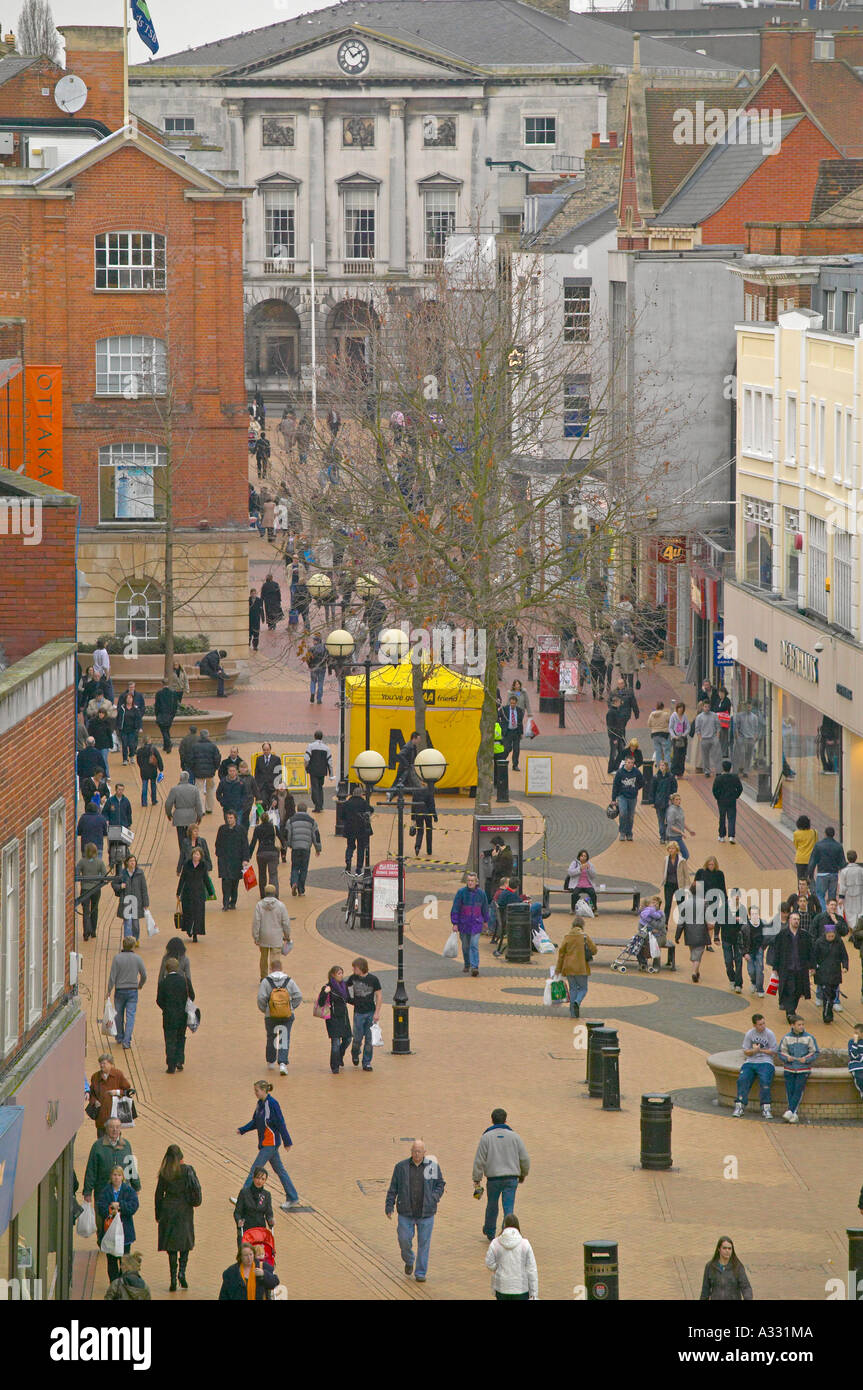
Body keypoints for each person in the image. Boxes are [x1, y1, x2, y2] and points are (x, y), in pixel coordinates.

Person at [385, 1140, 445, 1284]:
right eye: (414, 1151)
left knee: (424, 1243)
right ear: (411, 1151)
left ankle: (420, 1272)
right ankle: (409, 1259)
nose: (416, 1154)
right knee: (404, 1239)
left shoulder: (432, 1167)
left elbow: (440, 1184)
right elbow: (394, 1187)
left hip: (426, 1213)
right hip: (406, 1212)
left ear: (424, 1153)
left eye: (419, 1151)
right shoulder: (401, 1167)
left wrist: (434, 1197)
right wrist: (389, 1205)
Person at [235, 1080, 300, 1210]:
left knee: (255, 1169)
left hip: (270, 1143)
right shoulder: (260, 1104)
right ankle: (293, 1197)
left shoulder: (272, 1104)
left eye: (257, 1091)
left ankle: (242, 1198)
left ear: (264, 1090)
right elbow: (255, 1122)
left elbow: (281, 1123)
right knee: (280, 1170)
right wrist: (243, 1129)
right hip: (266, 1143)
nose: (255, 1093)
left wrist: (287, 1141)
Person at [472, 1108, 530, 1241]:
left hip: (493, 1178)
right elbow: (525, 1159)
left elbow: (479, 1160)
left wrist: (477, 1179)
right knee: (508, 1207)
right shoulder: (515, 1137)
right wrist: (523, 1173)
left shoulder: (486, 1138)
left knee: (492, 1205)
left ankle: (490, 1231)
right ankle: (508, 1233)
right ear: (505, 1120)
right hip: (511, 1178)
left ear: (492, 1120)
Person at [154, 1144, 202, 1292]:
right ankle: (182, 1271)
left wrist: (158, 1213)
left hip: (168, 1210)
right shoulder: (188, 1170)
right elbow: (196, 1189)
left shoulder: (165, 1172)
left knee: (172, 1245)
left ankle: (173, 1278)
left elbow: (158, 1194)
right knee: (185, 1242)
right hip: (184, 1210)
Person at [258, 956, 302, 1076]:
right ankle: (282, 1063)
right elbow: (298, 995)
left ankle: (271, 1061)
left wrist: (266, 1010)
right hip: (287, 1015)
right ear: (281, 968)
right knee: (284, 1037)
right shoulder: (289, 980)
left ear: (271, 969)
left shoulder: (266, 981)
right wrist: (291, 1007)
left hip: (270, 1015)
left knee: (271, 1036)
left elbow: (261, 998)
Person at [96, 1165, 139, 1286]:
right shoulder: (106, 1190)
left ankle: (123, 1283)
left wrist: (120, 1206)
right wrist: (110, 1210)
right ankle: (114, 1284)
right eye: (114, 1175)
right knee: (111, 1261)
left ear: (122, 1177)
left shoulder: (128, 1190)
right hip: (110, 1232)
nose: (116, 1178)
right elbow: (100, 1207)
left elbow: (134, 1205)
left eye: (119, 1175)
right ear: (111, 1176)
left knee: (124, 1261)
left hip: (125, 1234)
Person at [769, 910, 815, 1022]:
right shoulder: (782, 935)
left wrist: (812, 966)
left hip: (800, 969)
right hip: (787, 968)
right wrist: (775, 968)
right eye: (794, 919)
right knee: (789, 989)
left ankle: (791, 1010)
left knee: (798, 991)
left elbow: (810, 952)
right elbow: (777, 952)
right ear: (789, 920)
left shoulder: (805, 935)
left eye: (798, 919)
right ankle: (790, 1013)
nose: (796, 921)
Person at [83, 1116, 141, 1205]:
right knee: (102, 1217)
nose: (115, 1130)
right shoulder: (98, 1146)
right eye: (112, 1127)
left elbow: (131, 1168)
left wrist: (136, 1186)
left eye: (117, 1127)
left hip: (123, 1193)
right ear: (106, 1129)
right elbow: (91, 1170)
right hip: (103, 1193)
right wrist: (87, 1192)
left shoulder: (126, 1145)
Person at [732, 1013, 777, 1119]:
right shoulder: (749, 1034)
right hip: (751, 1061)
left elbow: (774, 1051)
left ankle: (766, 1108)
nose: (763, 1026)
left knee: (765, 1080)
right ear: (754, 1025)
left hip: (766, 1062)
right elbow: (746, 1051)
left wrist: (760, 1050)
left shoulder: (769, 1034)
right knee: (742, 1079)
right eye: (760, 1024)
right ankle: (740, 1106)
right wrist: (753, 1051)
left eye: (763, 1023)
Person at [776, 1015, 819, 1122]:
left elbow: (815, 1052)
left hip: (803, 1069)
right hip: (789, 1068)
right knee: (790, 1090)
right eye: (799, 1025)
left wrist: (806, 1059)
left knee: (798, 1090)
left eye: (802, 1024)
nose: (801, 1027)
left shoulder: (809, 1037)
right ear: (792, 1025)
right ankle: (794, 1114)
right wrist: (787, 1058)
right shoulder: (786, 1038)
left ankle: (790, 1110)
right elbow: (781, 1052)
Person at [486, 1214, 538, 1301]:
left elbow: (489, 1263)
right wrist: (534, 1293)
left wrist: (497, 1267)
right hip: (521, 1289)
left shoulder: (496, 1243)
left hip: (501, 1287)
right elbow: (532, 1270)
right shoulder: (525, 1244)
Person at [108, 938, 147, 1049]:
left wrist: (109, 990)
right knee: (130, 1016)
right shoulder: (137, 958)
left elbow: (112, 977)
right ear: (133, 946)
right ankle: (127, 1041)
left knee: (118, 1015)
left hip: (119, 990)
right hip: (132, 990)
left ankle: (119, 1036)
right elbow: (144, 974)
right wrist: (140, 985)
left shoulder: (117, 958)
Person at [555, 915, 597, 1019]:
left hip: (568, 968)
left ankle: (573, 1013)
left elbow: (561, 954)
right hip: (581, 968)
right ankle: (577, 1002)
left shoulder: (567, 937)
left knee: (573, 989)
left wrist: (558, 969)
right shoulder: (584, 936)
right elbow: (594, 950)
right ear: (582, 925)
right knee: (583, 988)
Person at [450, 871, 489, 977]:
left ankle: (475, 966)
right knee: (465, 946)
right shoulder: (461, 893)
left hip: (476, 923)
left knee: (474, 944)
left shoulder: (481, 894)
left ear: (476, 882)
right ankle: (467, 963)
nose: (470, 883)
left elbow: (485, 907)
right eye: (468, 881)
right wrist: (455, 923)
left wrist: (486, 920)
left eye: (472, 881)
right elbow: (456, 908)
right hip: (464, 923)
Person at [346, 956, 382, 1071]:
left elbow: (379, 996)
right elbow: (345, 988)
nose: (353, 970)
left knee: (369, 1040)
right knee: (357, 1038)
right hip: (358, 1013)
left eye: (355, 968)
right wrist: (349, 999)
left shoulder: (373, 980)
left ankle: (366, 1062)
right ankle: (355, 1052)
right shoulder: (353, 978)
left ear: (361, 968)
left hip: (370, 1012)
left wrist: (377, 1013)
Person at [156, 958, 192, 1074]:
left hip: (169, 1015)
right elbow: (192, 995)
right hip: (183, 1014)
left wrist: (166, 1008)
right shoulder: (185, 981)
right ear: (177, 968)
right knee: (181, 1037)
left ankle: (170, 1064)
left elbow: (159, 1000)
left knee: (170, 1039)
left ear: (166, 969)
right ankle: (179, 1060)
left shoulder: (163, 983)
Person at [318, 965, 353, 1075]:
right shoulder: (327, 987)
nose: (341, 975)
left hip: (343, 1017)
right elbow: (320, 1003)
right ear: (333, 975)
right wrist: (325, 992)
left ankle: (339, 1056)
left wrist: (360, 1002)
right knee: (335, 1043)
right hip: (333, 1019)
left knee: (348, 1039)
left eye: (342, 973)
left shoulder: (344, 986)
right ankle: (335, 1066)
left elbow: (348, 999)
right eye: (339, 973)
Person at [252, 885, 292, 980]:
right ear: (275, 893)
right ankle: (275, 977)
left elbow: (256, 922)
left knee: (263, 958)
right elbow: (285, 922)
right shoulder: (281, 905)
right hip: (276, 936)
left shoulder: (259, 905)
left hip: (263, 935)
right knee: (275, 958)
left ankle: (264, 977)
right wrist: (287, 935)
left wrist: (256, 937)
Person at [87, 1053, 134, 1134]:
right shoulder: (95, 1077)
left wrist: (117, 1092)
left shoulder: (118, 1074)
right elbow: (92, 1094)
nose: (101, 1065)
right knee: (101, 1140)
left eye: (104, 1063)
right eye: (100, 1063)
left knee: (115, 1139)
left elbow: (128, 1091)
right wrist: (95, 1101)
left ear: (111, 1064)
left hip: (114, 1114)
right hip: (101, 1116)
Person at [284, 802, 321, 896]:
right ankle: (301, 889)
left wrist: (288, 845)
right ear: (306, 810)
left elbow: (288, 834)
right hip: (306, 848)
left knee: (295, 867)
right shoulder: (312, 821)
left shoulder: (291, 820)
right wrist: (318, 848)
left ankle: (294, 882)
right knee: (304, 869)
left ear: (297, 809)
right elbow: (316, 835)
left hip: (295, 847)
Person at [813, 924, 848, 1023]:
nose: (831, 938)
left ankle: (829, 1014)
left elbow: (844, 955)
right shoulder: (819, 942)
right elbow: (814, 957)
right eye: (829, 936)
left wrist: (845, 966)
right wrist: (813, 968)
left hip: (835, 972)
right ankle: (827, 1016)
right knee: (827, 995)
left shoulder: (839, 942)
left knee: (832, 994)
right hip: (823, 973)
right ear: (825, 934)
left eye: (832, 936)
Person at [215, 810, 248, 911]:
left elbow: (245, 845)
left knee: (235, 882)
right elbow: (218, 843)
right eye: (228, 818)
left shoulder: (241, 830)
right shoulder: (222, 829)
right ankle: (225, 903)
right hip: (224, 860)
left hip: (236, 860)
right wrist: (219, 855)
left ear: (235, 818)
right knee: (225, 881)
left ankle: (233, 901)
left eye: (231, 818)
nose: (229, 820)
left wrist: (245, 859)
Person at [112, 854, 149, 943]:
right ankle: (127, 941)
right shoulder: (122, 873)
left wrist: (146, 903)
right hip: (126, 901)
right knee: (127, 923)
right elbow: (114, 884)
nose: (133, 863)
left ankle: (135, 939)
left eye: (134, 861)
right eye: (131, 861)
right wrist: (120, 886)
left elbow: (144, 889)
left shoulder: (140, 873)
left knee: (135, 924)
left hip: (137, 901)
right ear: (127, 863)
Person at [176, 845, 210, 943]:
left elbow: (206, 879)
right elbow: (182, 878)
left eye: (197, 854)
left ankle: (195, 933)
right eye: (194, 854)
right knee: (188, 912)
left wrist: (210, 892)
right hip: (187, 893)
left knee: (197, 914)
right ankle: (188, 929)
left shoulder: (203, 866)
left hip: (199, 893)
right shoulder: (187, 865)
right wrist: (178, 892)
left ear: (200, 856)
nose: (196, 856)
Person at [164, 772, 204, 853]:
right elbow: (198, 804)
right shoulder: (194, 789)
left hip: (179, 817)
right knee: (191, 836)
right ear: (188, 778)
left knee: (181, 837)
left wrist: (169, 813)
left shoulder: (174, 789)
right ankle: (191, 852)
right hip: (191, 816)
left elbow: (168, 803)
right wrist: (199, 816)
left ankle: (183, 853)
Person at [809, 826, 847, 910]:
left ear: (825, 834)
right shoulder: (838, 846)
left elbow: (813, 861)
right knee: (832, 897)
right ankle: (831, 913)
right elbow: (843, 863)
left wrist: (810, 874)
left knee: (820, 895)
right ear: (834, 834)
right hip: (834, 874)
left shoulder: (818, 845)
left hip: (822, 873)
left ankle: (823, 913)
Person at [234, 1168, 274, 1245]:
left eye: (263, 1179)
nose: (260, 1181)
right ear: (253, 1178)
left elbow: (269, 1213)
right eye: (258, 1178)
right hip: (246, 1231)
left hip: (260, 1232)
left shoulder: (266, 1195)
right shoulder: (244, 1193)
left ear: (265, 1181)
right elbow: (237, 1212)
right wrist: (239, 1221)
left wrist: (270, 1220)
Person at [76, 842, 108, 941]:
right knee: (95, 909)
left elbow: (77, 873)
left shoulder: (82, 862)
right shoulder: (99, 862)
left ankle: (86, 932)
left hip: (85, 889)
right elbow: (104, 874)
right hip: (96, 889)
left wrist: (83, 878)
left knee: (86, 911)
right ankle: (93, 931)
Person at [694, 855, 726, 947]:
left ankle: (710, 942)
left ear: (715, 865)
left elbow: (722, 887)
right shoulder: (701, 872)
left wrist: (725, 901)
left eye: (712, 864)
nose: (711, 866)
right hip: (703, 899)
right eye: (709, 864)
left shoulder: (720, 874)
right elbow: (695, 885)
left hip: (714, 900)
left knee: (713, 921)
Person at [189, 729, 221, 816]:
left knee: (199, 790)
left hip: (198, 772)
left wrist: (193, 768)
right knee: (210, 789)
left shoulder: (194, 746)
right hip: (210, 772)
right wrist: (215, 768)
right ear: (208, 736)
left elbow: (191, 759)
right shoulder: (213, 746)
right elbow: (217, 758)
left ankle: (201, 809)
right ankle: (209, 808)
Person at [611, 754, 643, 842]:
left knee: (631, 815)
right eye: (628, 763)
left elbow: (642, 781)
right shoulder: (620, 773)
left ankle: (629, 833)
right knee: (623, 813)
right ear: (625, 762)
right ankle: (622, 832)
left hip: (632, 796)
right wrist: (613, 799)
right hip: (622, 796)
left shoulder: (636, 772)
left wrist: (636, 788)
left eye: (632, 763)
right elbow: (615, 786)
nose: (630, 765)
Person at [249, 810, 281, 898]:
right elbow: (281, 839)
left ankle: (263, 894)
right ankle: (274, 894)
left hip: (261, 853)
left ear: (261, 819)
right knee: (273, 874)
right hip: (272, 852)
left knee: (262, 874)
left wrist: (248, 855)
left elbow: (253, 843)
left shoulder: (258, 829)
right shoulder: (274, 827)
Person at [661, 840, 690, 934]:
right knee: (668, 905)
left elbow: (686, 875)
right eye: (669, 848)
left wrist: (686, 888)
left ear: (676, 850)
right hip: (668, 885)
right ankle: (665, 924)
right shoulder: (666, 859)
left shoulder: (682, 861)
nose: (671, 850)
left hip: (679, 886)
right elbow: (664, 871)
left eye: (672, 848)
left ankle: (683, 924)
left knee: (681, 905)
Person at [720, 887, 746, 993]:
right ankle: (732, 978)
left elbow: (745, 924)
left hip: (738, 940)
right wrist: (716, 935)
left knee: (739, 961)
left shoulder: (742, 909)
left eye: (738, 896)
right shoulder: (724, 908)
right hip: (726, 938)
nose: (736, 898)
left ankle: (738, 983)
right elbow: (719, 921)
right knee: (728, 961)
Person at [343, 787, 373, 872]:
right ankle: (359, 867)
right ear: (361, 794)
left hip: (350, 828)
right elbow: (371, 810)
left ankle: (348, 861)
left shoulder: (347, 803)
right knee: (361, 848)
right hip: (361, 829)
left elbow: (341, 816)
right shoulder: (363, 803)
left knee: (350, 846)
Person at [712, 760, 743, 844]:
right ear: (730, 768)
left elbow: (714, 790)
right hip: (732, 800)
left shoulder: (718, 778)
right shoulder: (735, 778)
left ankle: (721, 836)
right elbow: (740, 788)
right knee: (732, 818)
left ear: (723, 768)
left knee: (722, 817)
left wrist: (717, 797)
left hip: (721, 801)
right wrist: (736, 796)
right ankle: (731, 836)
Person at [304, 730, 333, 813]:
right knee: (320, 787)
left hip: (313, 770)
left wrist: (306, 767)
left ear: (314, 736)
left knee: (314, 787)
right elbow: (330, 762)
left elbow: (306, 759)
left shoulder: (311, 746)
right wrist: (331, 774)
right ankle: (320, 805)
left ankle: (317, 805)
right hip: (322, 771)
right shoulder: (327, 748)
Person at [741, 903, 766, 997]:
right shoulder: (745, 926)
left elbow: (766, 936)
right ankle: (753, 982)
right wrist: (744, 953)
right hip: (749, 951)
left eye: (756, 913)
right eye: (753, 913)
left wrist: (763, 947)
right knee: (751, 970)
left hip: (759, 950)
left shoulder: (763, 924)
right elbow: (741, 941)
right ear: (749, 914)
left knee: (759, 970)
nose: (755, 915)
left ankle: (760, 988)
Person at [652, 760, 677, 843]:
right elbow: (652, 790)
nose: (662, 767)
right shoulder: (656, 777)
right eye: (660, 765)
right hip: (659, 802)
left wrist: (672, 799)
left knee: (669, 819)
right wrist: (652, 801)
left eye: (663, 765)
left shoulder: (670, 777)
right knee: (661, 820)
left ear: (666, 767)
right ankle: (662, 836)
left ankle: (668, 835)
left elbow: (674, 788)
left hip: (668, 801)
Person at [566, 849, 598, 915]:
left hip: (588, 885)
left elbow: (594, 875)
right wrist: (579, 869)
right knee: (574, 894)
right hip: (577, 885)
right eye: (582, 856)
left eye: (585, 856)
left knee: (592, 893)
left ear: (587, 857)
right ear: (579, 856)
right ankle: (573, 909)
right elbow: (570, 872)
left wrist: (589, 869)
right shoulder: (574, 863)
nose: (583, 857)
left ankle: (594, 909)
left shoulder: (590, 864)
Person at [839, 850, 863, 934]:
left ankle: (853, 929)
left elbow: (842, 886)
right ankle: (859, 927)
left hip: (848, 894)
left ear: (847, 858)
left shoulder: (844, 871)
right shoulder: (861, 870)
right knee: (860, 911)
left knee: (850, 912)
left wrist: (841, 897)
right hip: (860, 894)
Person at [694, 703, 721, 777]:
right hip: (704, 738)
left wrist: (717, 737)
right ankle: (707, 771)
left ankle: (718, 771)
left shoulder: (714, 715)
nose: (707, 708)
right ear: (703, 707)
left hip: (713, 738)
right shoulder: (699, 717)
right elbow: (697, 729)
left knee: (716, 755)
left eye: (708, 707)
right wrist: (700, 738)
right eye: (705, 707)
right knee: (705, 756)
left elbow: (718, 726)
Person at [136, 739, 163, 806]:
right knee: (153, 785)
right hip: (152, 770)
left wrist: (141, 767)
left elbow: (138, 761)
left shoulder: (139, 750)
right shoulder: (153, 749)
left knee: (144, 786)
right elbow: (159, 759)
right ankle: (154, 800)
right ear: (149, 741)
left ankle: (144, 802)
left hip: (144, 771)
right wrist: (161, 768)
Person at [500, 695, 524, 771]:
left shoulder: (519, 710)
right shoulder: (505, 709)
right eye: (511, 703)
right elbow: (498, 716)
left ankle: (515, 765)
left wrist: (521, 732)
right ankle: (502, 761)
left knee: (516, 749)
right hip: (508, 731)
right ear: (509, 702)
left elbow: (520, 722)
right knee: (507, 748)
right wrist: (502, 726)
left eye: (514, 703)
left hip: (516, 732)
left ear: (516, 703)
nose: (512, 705)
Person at [116, 695, 142, 766]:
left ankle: (131, 756)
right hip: (124, 729)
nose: (129, 700)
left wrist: (139, 727)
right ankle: (125, 759)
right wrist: (118, 727)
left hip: (132, 730)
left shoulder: (135, 709)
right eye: (128, 698)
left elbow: (139, 718)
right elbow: (118, 718)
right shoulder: (122, 708)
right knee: (124, 744)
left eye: (130, 698)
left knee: (131, 744)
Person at [665, 793, 691, 860]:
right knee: (685, 854)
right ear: (672, 801)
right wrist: (681, 832)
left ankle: (676, 867)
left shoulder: (680, 809)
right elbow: (670, 825)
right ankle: (678, 867)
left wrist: (689, 830)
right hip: (673, 837)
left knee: (675, 856)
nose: (678, 801)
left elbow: (681, 822)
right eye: (676, 799)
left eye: (679, 799)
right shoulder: (672, 811)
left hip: (678, 836)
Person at [605, 696, 628, 775]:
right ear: (615, 703)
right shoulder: (611, 712)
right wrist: (614, 737)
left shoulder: (617, 711)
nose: (620, 704)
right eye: (619, 702)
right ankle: (610, 769)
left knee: (621, 752)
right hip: (615, 736)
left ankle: (616, 767)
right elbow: (610, 726)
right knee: (613, 753)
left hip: (619, 736)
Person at [668, 703, 690, 777]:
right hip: (676, 738)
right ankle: (674, 771)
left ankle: (681, 771)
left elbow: (688, 727)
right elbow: (670, 727)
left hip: (683, 738)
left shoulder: (684, 716)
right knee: (676, 755)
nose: (680, 710)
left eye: (682, 708)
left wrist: (684, 734)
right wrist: (674, 736)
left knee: (682, 755)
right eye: (679, 708)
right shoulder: (673, 716)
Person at [588, 632, 611, 701]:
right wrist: (589, 661)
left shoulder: (605, 645)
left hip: (602, 664)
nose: (598, 639)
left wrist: (606, 663)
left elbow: (609, 655)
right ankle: (594, 693)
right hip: (593, 663)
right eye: (596, 637)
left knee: (602, 679)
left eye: (599, 637)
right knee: (594, 680)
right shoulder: (590, 645)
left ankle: (600, 694)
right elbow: (586, 654)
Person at [647, 700, 671, 765]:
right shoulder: (666, 714)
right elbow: (670, 723)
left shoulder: (652, 714)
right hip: (664, 734)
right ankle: (667, 767)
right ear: (663, 707)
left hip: (655, 734)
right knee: (666, 751)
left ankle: (659, 767)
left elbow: (649, 724)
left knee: (658, 752)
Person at [848, 1023, 863, 1099]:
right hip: (856, 1067)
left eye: (857, 1033)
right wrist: (855, 1043)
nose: (855, 1035)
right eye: (854, 1033)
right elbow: (853, 1056)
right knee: (860, 1078)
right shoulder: (851, 1042)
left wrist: (859, 1057)